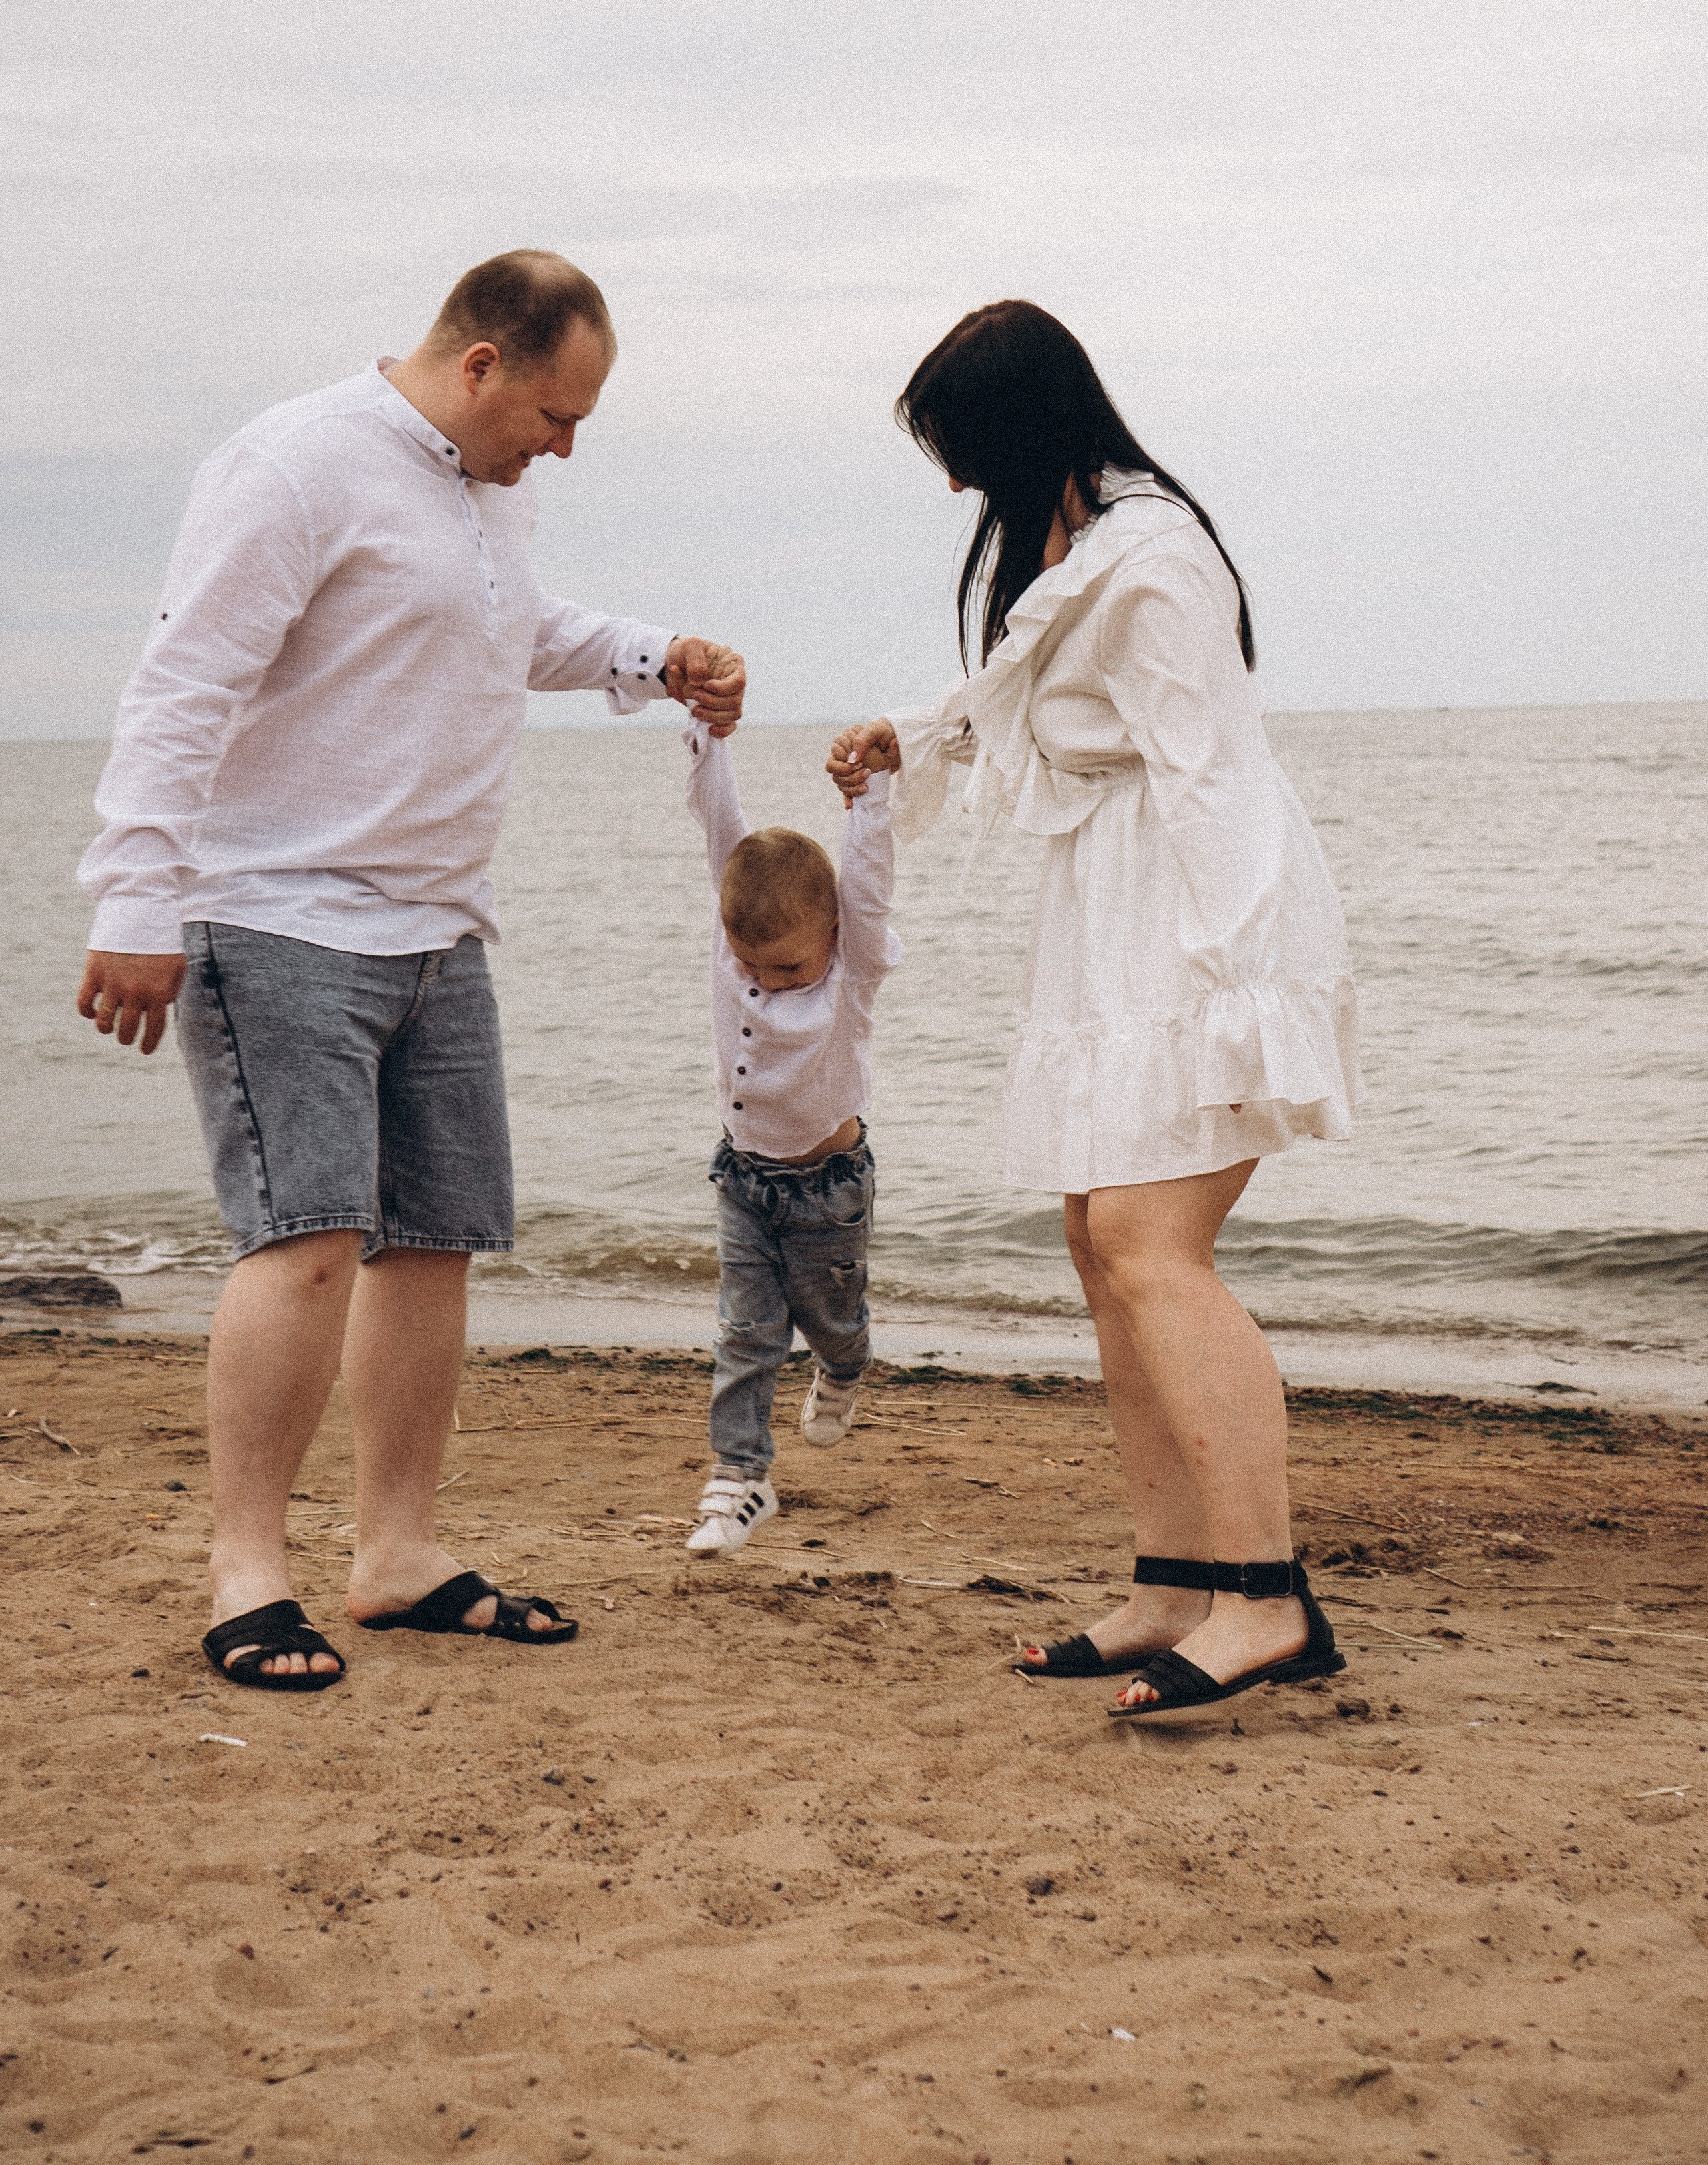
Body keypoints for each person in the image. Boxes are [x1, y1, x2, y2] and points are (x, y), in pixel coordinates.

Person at [76, 249, 745, 1693]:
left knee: (431, 1243)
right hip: (276, 914)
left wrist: (652, 655)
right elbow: (183, 683)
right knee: (306, 1237)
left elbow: (513, 634)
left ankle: (397, 1556)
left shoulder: (485, 494)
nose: (563, 448)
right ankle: (249, 1573)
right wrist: (133, 897)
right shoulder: (296, 465)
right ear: (482, 365)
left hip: (440, 926)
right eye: (557, 416)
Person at [829, 300, 1360, 1719]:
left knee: (1147, 1240)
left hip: (1195, 911)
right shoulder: (1078, 542)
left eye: (960, 452)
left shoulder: (1155, 554)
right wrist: (913, 733)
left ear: (1019, 432)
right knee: (1098, 1236)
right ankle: (1173, 1579)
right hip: (1113, 915)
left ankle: (1267, 1598)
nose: (951, 485)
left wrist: (1244, 987)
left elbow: (1207, 768)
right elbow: (1035, 686)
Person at [679, 723, 900, 1554]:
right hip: (742, 1179)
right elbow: (719, 825)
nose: (766, 986)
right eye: (752, 969)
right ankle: (739, 1481)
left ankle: (844, 1368)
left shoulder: (852, 970)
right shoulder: (733, 949)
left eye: (788, 973)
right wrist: (707, 731)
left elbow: (869, 889)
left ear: (836, 942)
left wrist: (868, 798)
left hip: (829, 1188)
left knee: (831, 1324)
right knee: (746, 1333)